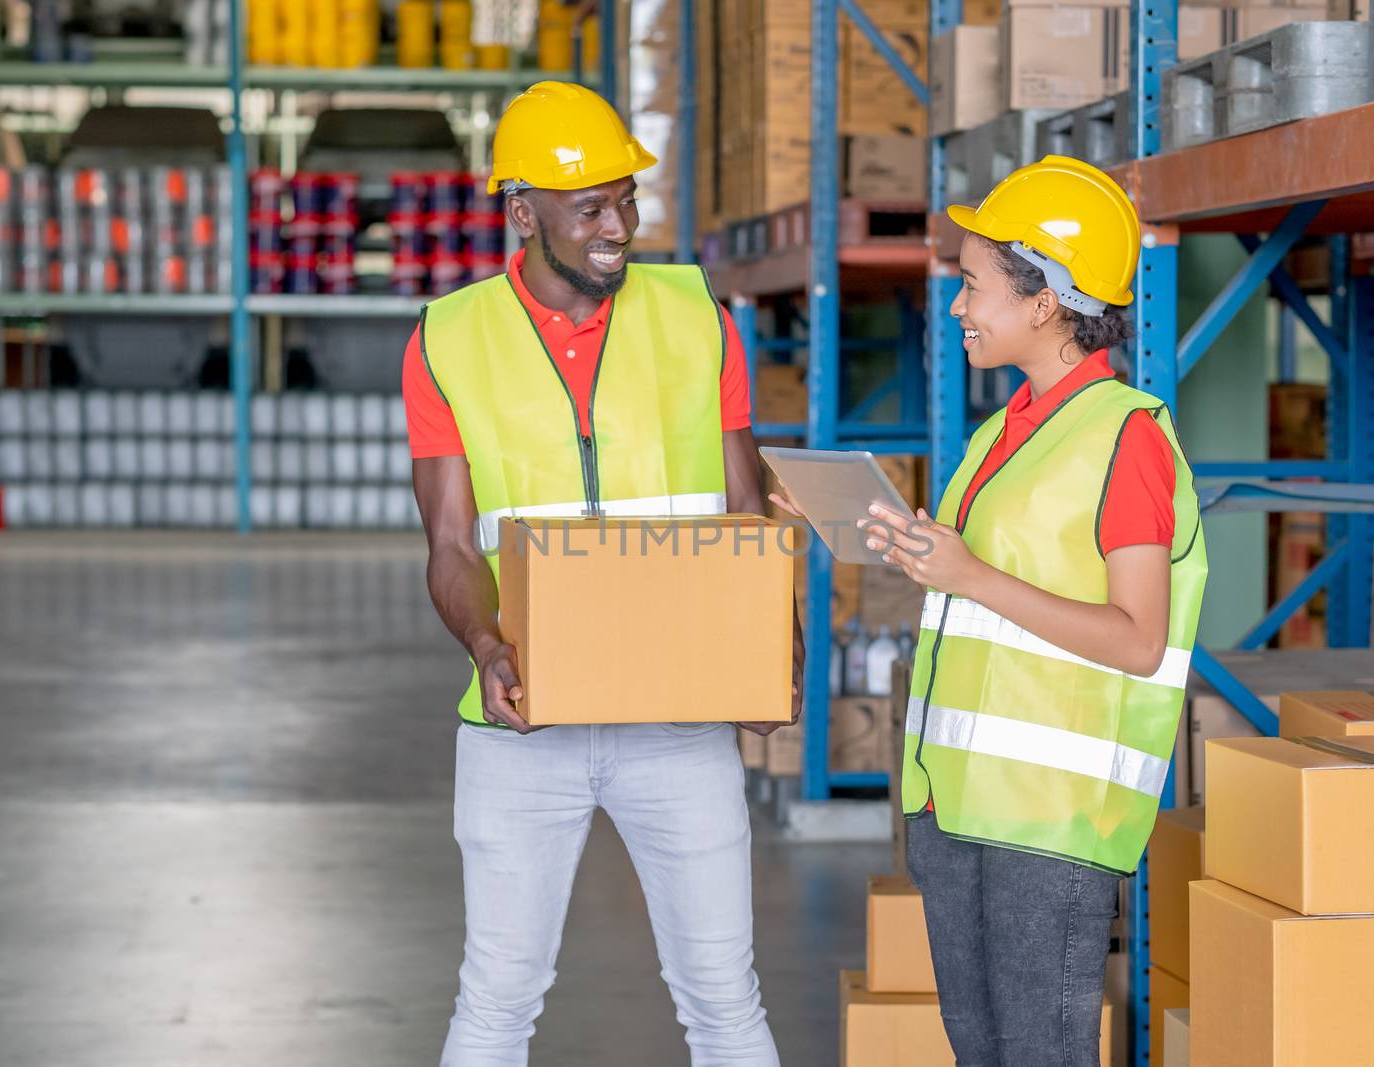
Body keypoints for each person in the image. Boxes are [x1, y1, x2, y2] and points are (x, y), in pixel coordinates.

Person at [401, 81, 797, 1067]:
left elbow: (743, 511)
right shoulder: (447, 338)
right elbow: (452, 545)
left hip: (677, 719)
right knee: (495, 998)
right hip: (521, 717)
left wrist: (765, 652)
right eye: (590, 207)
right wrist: (487, 646)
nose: (617, 225)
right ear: (522, 211)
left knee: (723, 998)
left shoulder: (697, 315)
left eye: (626, 200)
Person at [853, 156, 1206, 1065]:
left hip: (1048, 824)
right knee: (981, 1051)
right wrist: (917, 549)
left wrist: (970, 575)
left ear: (1045, 301)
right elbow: (986, 584)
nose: (960, 306)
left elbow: (1137, 640)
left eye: (973, 286)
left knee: (1041, 1051)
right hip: (957, 802)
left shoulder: (1124, 438)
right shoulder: (1003, 428)